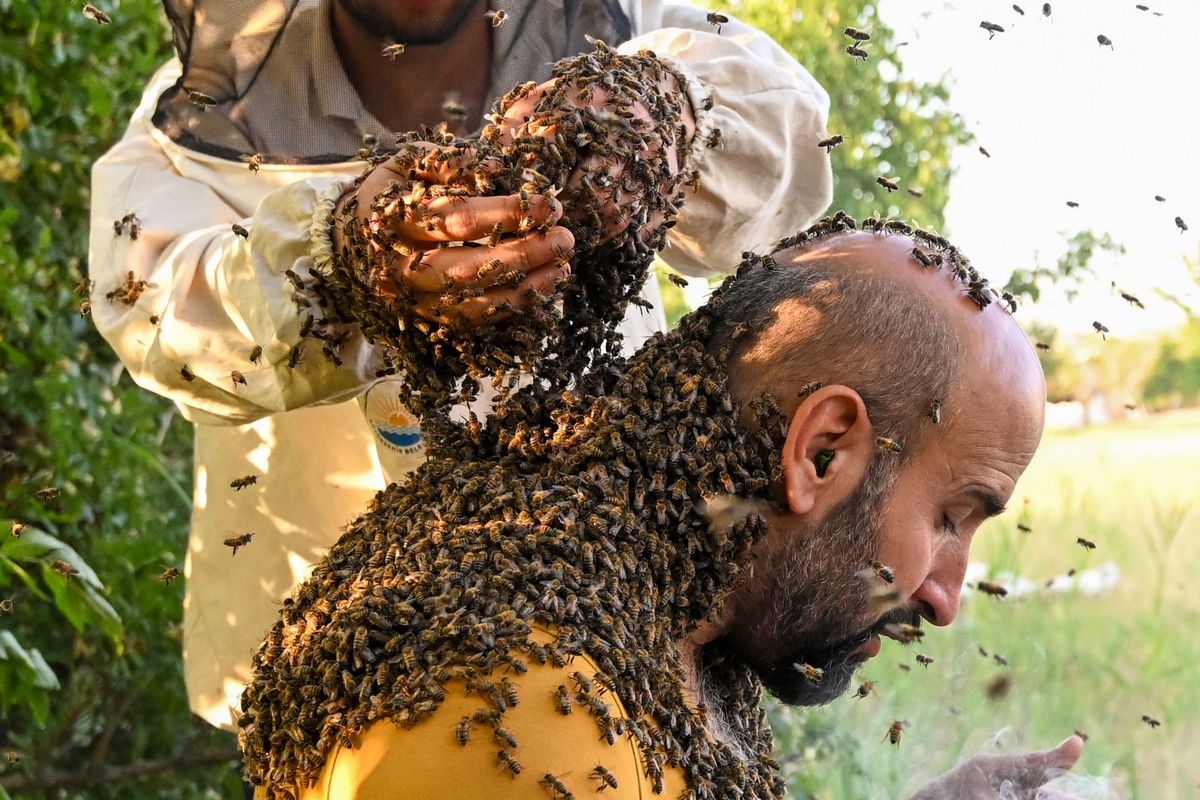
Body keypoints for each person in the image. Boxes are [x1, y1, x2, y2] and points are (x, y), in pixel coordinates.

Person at [87, 0, 834, 732]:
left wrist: (665, 110)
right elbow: (150, 304)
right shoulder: (191, 113)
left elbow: (783, 140)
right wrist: (343, 260)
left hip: (608, 627)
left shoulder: (619, 19)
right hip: (338, 671)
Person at [238, 218, 1086, 800]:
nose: (946, 597)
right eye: (951, 515)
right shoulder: (519, 704)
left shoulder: (688, 622)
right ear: (821, 451)